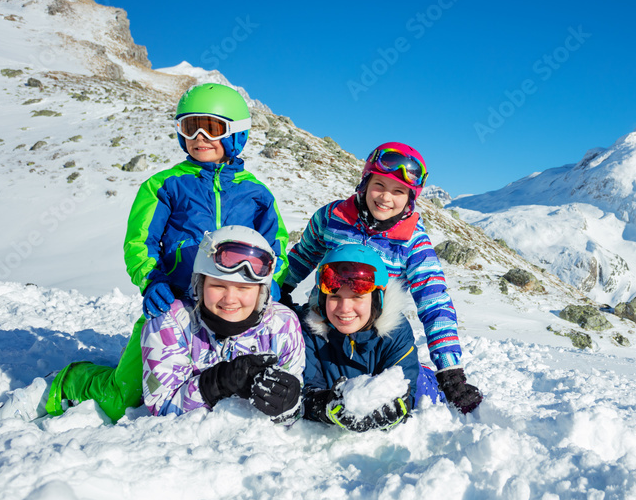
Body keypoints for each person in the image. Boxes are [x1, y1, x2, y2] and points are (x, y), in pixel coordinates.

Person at [45, 83, 290, 422]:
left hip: (231, 311)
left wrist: (272, 280)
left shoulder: (256, 194)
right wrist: (152, 280)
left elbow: (274, 246)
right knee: (127, 399)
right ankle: (72, 380)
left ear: (236, 133)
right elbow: (140, 241)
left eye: (212, 127)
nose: (200, 136)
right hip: (173, 305)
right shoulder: (166, 184)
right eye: (190, 127)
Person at [281, 142, 483, 415]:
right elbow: (302, 257)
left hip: (376, 337)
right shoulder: (332, 218)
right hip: (327, 324)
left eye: (398, 191)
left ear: (410, 198)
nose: (386, 198)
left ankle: (422, 381)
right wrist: (279, 289)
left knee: (398, 391)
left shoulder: (412, 241)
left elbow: (434, 302)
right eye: (380, 185)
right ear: (365, 183)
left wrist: (450, 370)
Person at [143, 226, 304, 419]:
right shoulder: (172, 322)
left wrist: (289, 401)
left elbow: (293, 411)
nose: (230, 299)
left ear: (261, 292)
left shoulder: (283, 325)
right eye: (218, 285)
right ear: (199, 285)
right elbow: (162, 405)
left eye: (244, 288)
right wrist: (218, 382)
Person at [299, 244, 442, 431]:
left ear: (376, 299)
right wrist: (327, 406)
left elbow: (406, 390)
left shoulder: (395, 331)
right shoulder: (309, 330)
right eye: (335, 297)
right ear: (322, 299)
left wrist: (394, 407)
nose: (344, 308)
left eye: (357, 296)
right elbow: (306, 390)